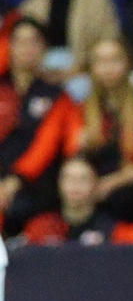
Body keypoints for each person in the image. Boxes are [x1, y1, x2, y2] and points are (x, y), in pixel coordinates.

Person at [55, 37, 133, 220]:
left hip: (132, 183)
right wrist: (83, 145)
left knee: (125, 199)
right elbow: (72, 151)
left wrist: (108, 184)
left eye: (115, 60)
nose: (107, 68)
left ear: (128, 63)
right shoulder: (83, 108)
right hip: (91, 179)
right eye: (100, 61)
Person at [0, 18, 76, 233]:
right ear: (9, 46)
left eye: (34, 42)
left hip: (37, 185)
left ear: (44, 49)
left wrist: (15, 181)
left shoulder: (57, 96)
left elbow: (45, 146)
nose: (26, 48)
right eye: (20, 42)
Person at [23, 156, 116, 244]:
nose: (75, 184)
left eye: (83, 179)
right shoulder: (39, 227)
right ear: (59, 184)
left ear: (96, 184)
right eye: (68, 178)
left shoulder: (113, 230)